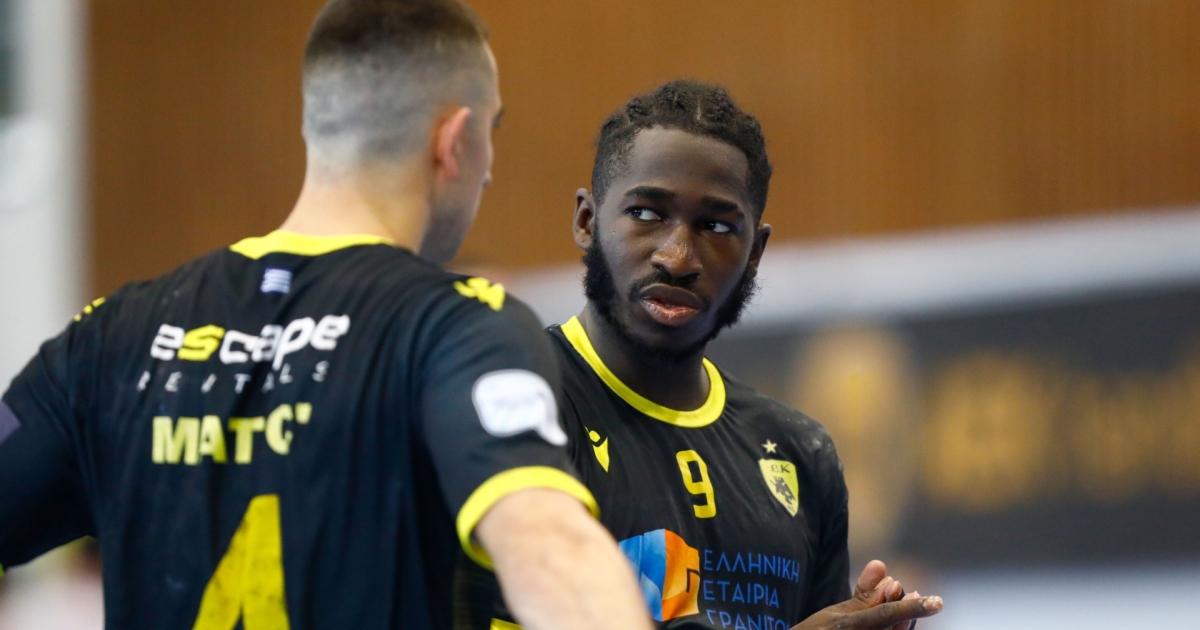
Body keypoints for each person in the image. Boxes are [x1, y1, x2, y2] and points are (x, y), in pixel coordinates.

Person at [0, 1, 651, 629]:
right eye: (492, 132)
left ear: (319, 126)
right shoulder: (458, 326)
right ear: (452, 142)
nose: (487, 174)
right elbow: (549, 545)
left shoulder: (110, 335)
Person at [486, 80, 942, 630]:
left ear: (755, 254)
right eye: (646, 214)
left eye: (718, 226)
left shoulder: (803, 454)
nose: (678, 257)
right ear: (587, 221)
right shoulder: (518, 404)